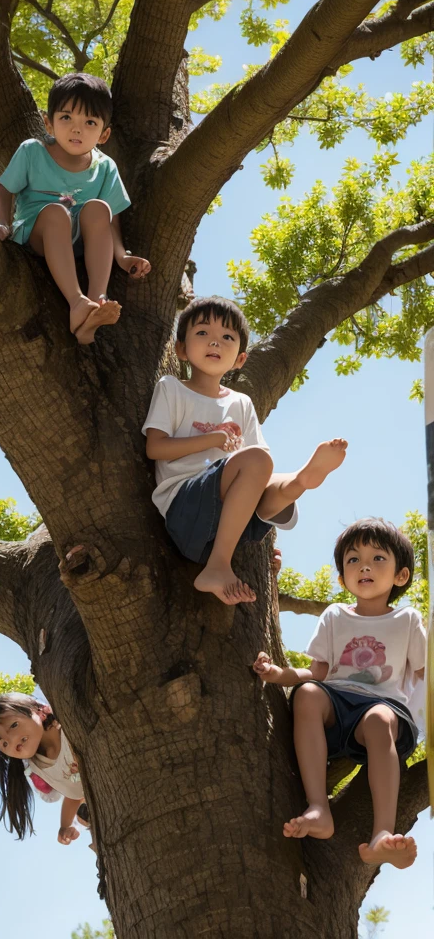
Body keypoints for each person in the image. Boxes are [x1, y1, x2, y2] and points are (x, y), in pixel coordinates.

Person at [143, 296, 347, 603]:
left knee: (267, 475)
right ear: (181, 349)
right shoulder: (172, 388)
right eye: (203, 333)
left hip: (230, 521)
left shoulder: (240, 403)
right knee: (255, 461)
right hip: (185, 506)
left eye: (227, 337)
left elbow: (258, 468)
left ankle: (299, 482)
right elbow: (155, 448)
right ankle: (218, 567)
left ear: (239, 358)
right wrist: (212, 440)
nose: (215, 342)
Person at [253, 518, 426, 870]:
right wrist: (279, 675)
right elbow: (317, 671)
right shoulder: (334, 615)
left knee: (378, 719)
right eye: (353, 559)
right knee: (307, 694)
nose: (364, 565)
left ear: (400, 576)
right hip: (336, 704)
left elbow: (425, 672)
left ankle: (382, 834)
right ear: (341, 578)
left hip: (383, 710)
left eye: (378, 558)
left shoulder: (408, 619)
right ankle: (319, 808)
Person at [0, 72, 151, 344]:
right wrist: (2, 223)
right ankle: (76, 302)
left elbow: (109, 222)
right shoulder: (33, 151)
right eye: (66, 117)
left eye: (89, 122)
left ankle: (96, 302)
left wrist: (122, 257)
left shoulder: (105, 167)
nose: (77, 129)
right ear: (49, 123)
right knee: (56, 212)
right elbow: (4, 191)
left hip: (78, 241)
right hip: (37, 233)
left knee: (99, 208)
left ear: (104, 134)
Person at [0, 692, 85, 845]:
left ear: (39, 711)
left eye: (14, 725)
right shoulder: (38, 770)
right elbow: (74, 793)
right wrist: (65, 826)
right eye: (4, 744)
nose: (13, 740)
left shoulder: (67, 721)